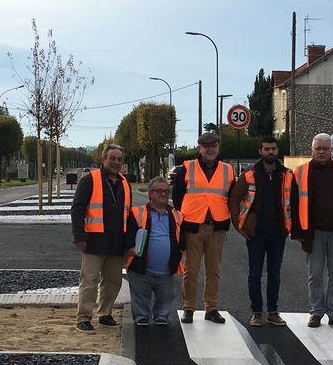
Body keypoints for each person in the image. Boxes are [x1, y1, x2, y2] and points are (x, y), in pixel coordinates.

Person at [290, 133, 333, 329]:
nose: (321, 152)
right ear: (311, 150)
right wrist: (297, 231)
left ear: (331, 151)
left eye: (325, 149)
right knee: (315, 275)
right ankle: (316, 312)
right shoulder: (300, 172)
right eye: (318, 149)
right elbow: (294, 204)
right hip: (313, 233)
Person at [229, 136, 293, 327]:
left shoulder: (287, 174)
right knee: (254, 273)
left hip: (278, 232)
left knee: (275, 273)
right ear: (260, 151)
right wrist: (238, 224)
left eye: (273, 148)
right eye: (267, 149)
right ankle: (257, 312)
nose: (270, 152)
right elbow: (234, 199)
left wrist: (292, 226)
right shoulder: (249, 174)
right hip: (255, 233)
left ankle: (272, 311)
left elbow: (295, 201)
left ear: (277, 151)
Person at [172, 132, 235, 324]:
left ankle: (211, 308)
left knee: (213, 270)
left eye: (213, 146)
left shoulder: (228, 170)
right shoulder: (186, 168)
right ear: (200, 148)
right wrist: (183, 219)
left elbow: (233, 197)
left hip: (216, 227)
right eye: (206, 146)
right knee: (191, 270)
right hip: (193, 226)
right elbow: (177, 196)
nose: (210, 149)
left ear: (218, 148)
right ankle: (188, 308)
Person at [71, 144, 133, 334]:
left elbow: (128, 215)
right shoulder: (90, 180)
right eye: (112, 158)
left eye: (119, 160)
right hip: (94, 241)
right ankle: (84, 317)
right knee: (89, 280)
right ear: (103, 160)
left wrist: (129, 243)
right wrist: (79, 236)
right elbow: (77, 209)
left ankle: (105, 314)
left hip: (116, 242)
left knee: (113, 281)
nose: (116, 162)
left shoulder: (124, 183)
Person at [125, 176, 184, 326]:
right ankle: (142, 316)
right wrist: (130, 247)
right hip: (141, 268)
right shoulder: (137, 212)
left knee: (165, 297)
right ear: (150, 194)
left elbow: (182, 237)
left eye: (166, 191)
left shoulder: (176, 215)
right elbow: (129, 233)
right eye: (159, 191)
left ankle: (161, 316)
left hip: (166, 269)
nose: (163, 194)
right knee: (140, 295)